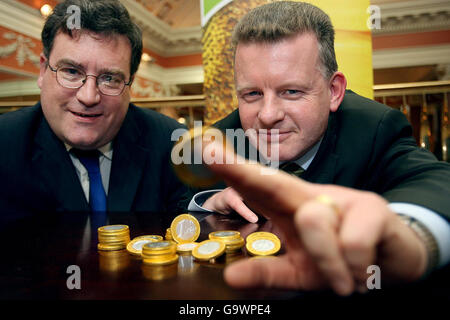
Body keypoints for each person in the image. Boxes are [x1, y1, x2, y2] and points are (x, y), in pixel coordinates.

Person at [188, 1, 450, 296]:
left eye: (291, 91)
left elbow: (438, 183)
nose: (268, 114)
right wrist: (209, 203)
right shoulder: (222, 139)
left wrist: (410, 236)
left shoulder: (374, 127)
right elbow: (177, 213)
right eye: (252, 94)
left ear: (334, 91)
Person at [0, 0, 190, 219]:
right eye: (71, 71)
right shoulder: (5, 144)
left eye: (109, 78)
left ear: (130, 85)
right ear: (43, 70)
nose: (88, 96)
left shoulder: (171, 143)